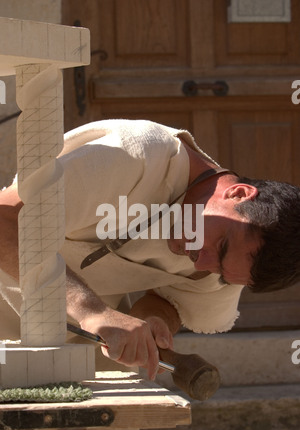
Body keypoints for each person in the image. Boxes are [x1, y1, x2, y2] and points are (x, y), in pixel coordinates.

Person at [1, 118, 300, 384]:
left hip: (75, 354)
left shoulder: (221, 258)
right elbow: (5, 219)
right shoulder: (138, 156)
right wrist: (93, 310)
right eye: (220, 247)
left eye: (220, 272)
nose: (201, 262)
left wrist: (155, 323)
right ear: (238, 194)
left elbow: (170, 301)